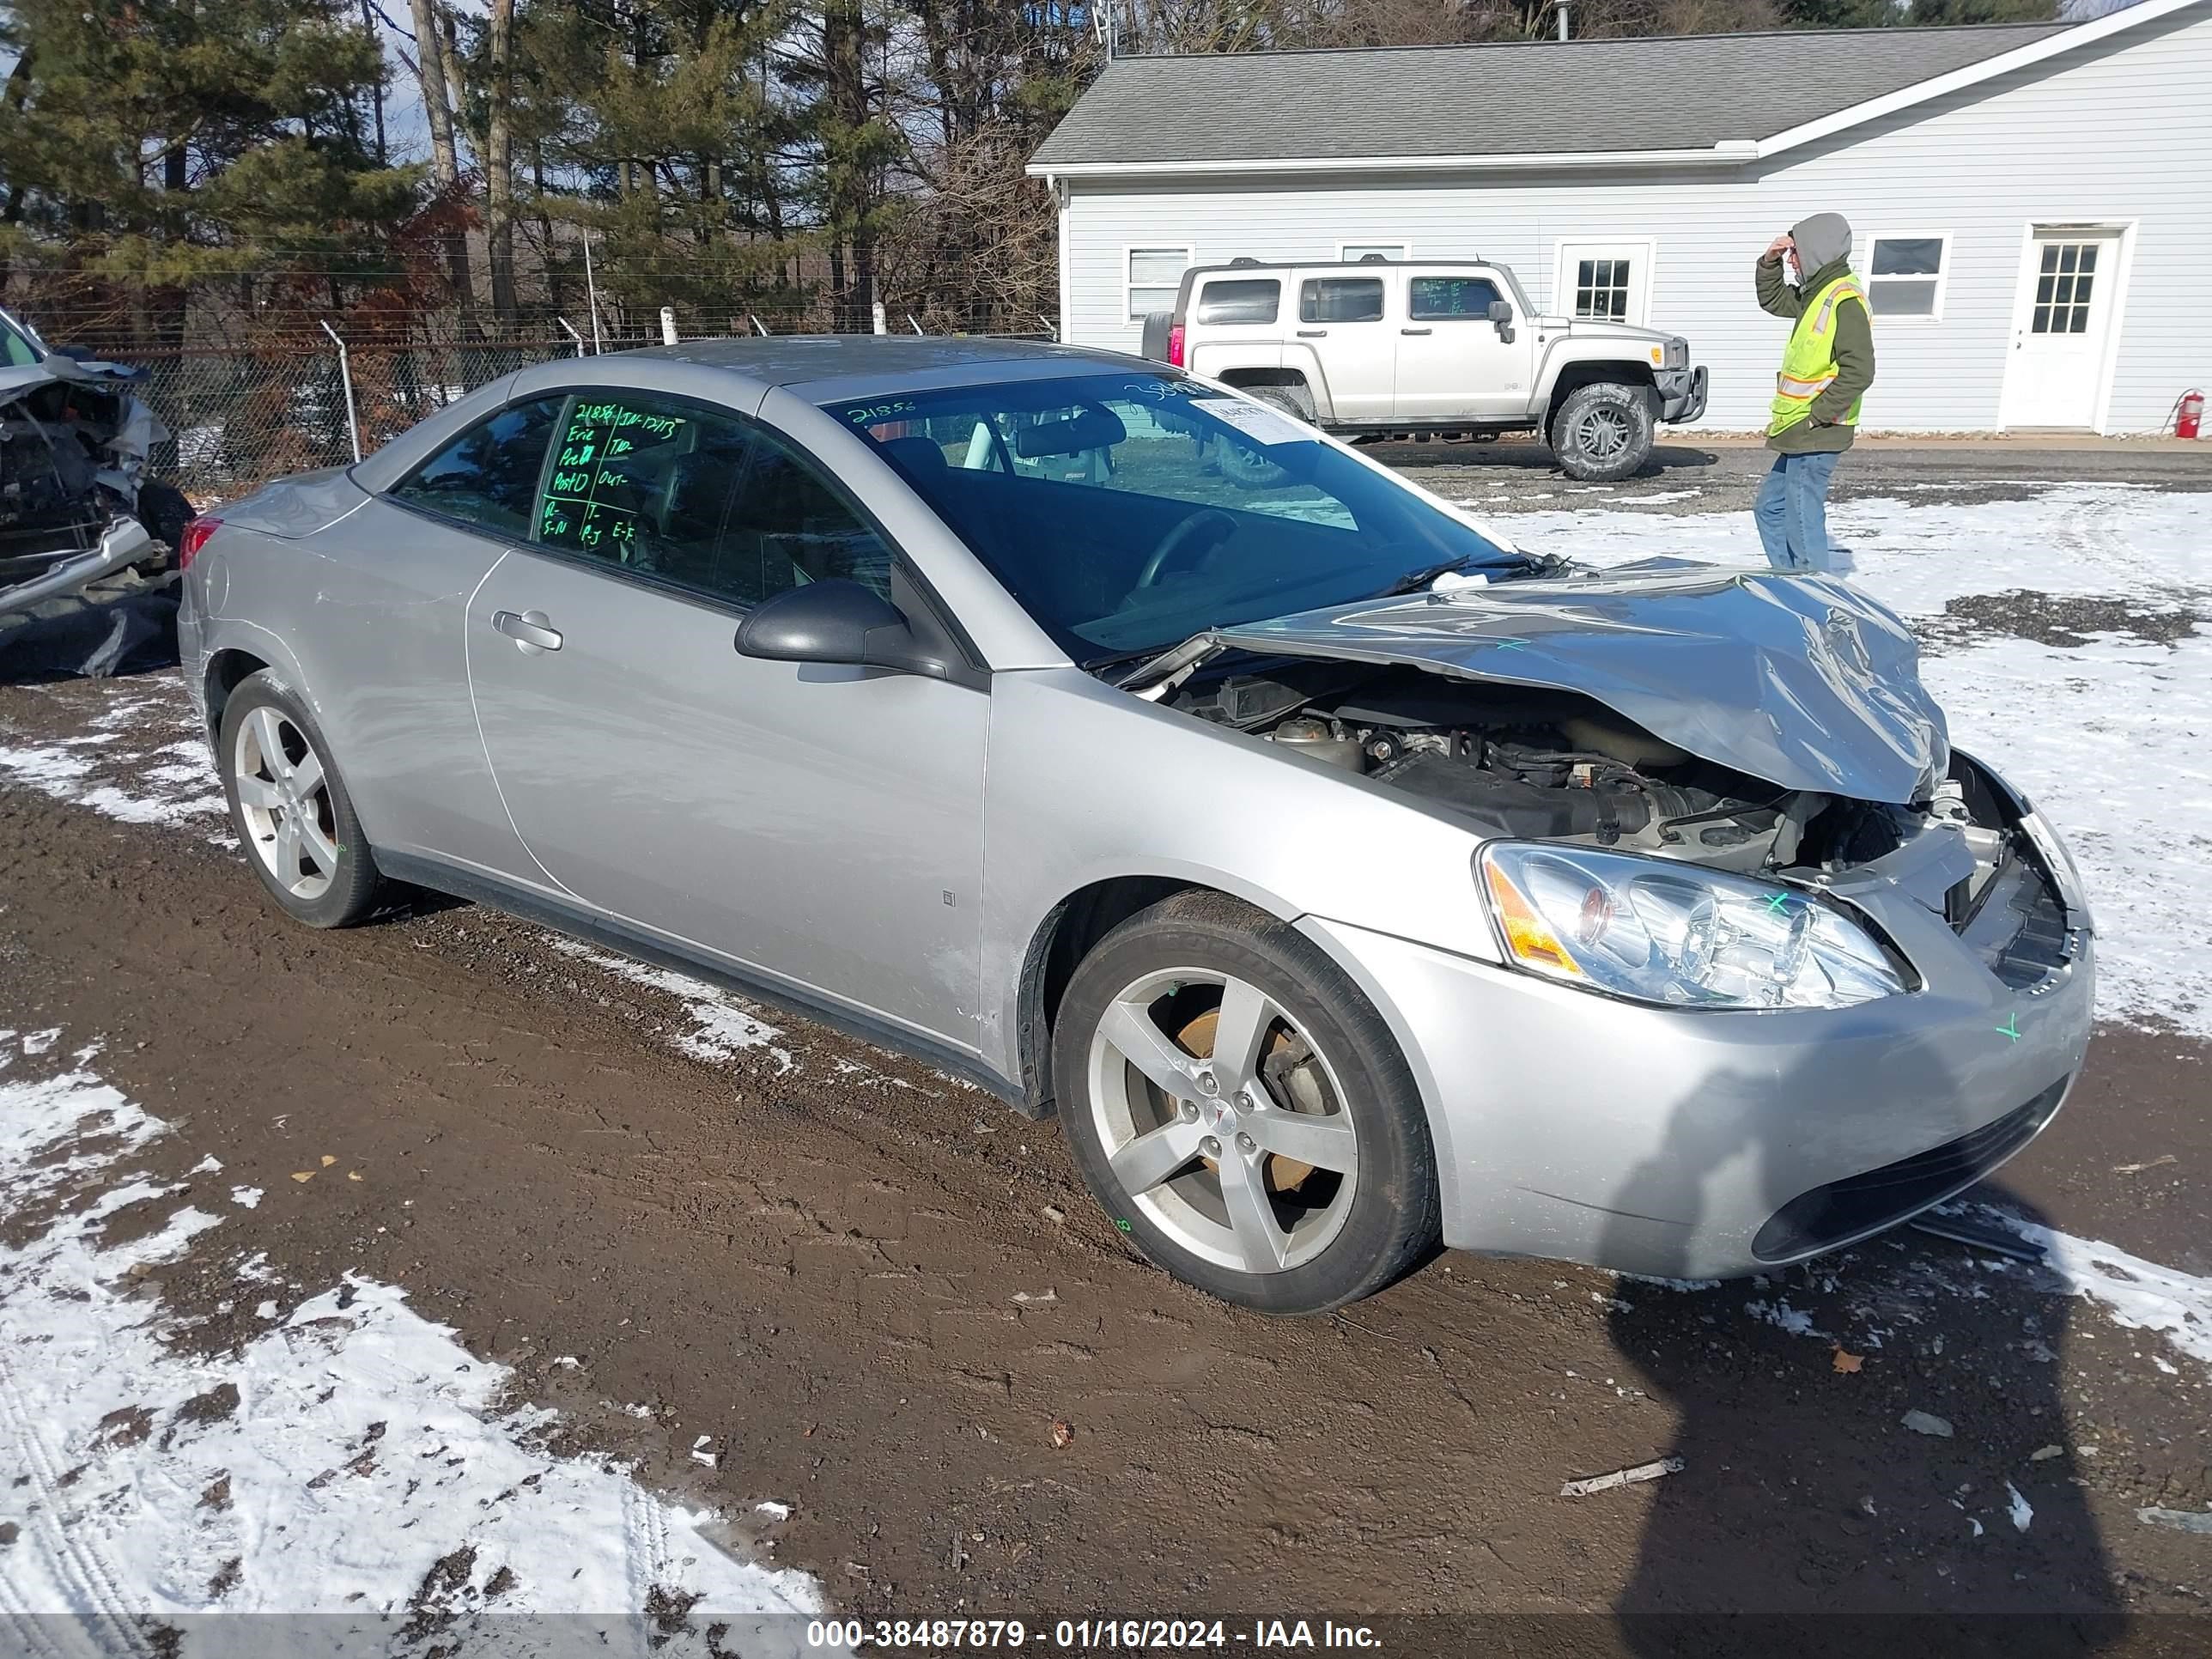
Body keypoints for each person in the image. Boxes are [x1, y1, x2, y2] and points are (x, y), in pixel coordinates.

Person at [1753, 212, 1875, 574]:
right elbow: (1774, 300)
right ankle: (1792, 583)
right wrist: (1769, 261)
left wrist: (1819, 415)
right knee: (1770, 508)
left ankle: (1817, 597)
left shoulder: (1844, 301)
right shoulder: (1815, 295)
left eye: (1795, 253)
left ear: (1817, 252)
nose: (1791, 260)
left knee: (1802, 519)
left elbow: (1860, 371)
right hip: (1798, 429)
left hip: (1818, 430)